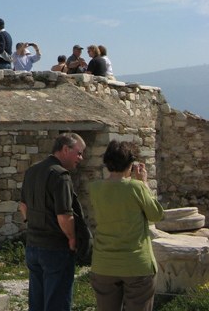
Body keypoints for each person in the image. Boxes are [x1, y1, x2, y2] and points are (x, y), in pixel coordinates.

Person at [89, 140, 164, 311]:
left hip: (104, 263)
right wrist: (144, 183)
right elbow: (156, 215)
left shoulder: (95, 188)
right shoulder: (136, 187)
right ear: (130, 164)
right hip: (136, 263)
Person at [19, 132, 87, 311]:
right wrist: (72, 239)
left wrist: (33, 223)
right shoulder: (60, 176)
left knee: (37, 304)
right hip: (55, 248)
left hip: (33, 245)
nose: (81, 158)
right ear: (65, 149)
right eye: (78, 153)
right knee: (57, 304)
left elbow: (23, 207)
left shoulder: (32, 171)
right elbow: (64, 215)